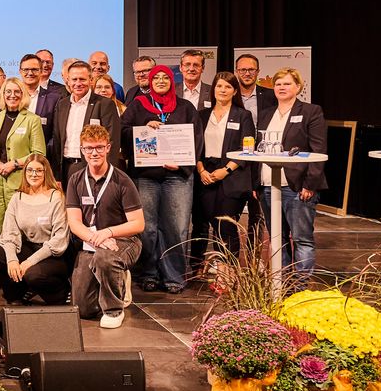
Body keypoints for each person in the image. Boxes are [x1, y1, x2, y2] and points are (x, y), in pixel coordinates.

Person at [121, 65, 203, 293]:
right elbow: (123, 132)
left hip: (177, 176)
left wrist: (183, 164)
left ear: (171, 80)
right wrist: (143, 128)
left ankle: (175, 276)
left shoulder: (185, 107)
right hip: (146, 176)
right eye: (155, 77)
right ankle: (148, 273)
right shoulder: (138, 105)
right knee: (147, 228)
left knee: (176, 227)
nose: (159, 80)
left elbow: (197, 140)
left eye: (164, 77)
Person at [66, 126, 144, 329]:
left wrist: (108, 233)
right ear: (82, 150)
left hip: (124, 241)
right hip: (92, 242)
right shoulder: (75, 179)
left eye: (99, 147)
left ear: (108, 148)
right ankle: (114, 280)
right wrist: (95, 238)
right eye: (89, 148)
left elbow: (138, 223)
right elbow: (74, 222)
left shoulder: (122, 180)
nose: (94, 153)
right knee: (81, 308)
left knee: (105, 257)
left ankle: (114, 309)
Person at [256, 68, 327, 279]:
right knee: (278, 238)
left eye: (286, 83)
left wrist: (310, 184)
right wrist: (256, 184)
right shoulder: (266, 113)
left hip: (297, 187)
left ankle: (300, 286)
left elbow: (318, 150)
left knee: (302, 239)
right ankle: (282, 283)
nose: (281, 87)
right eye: (278, 84)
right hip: (268, 185)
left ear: (298, 87)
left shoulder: (311, 111)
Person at [0, 154, 70, 305]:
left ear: (46, 172)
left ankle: (60, 293)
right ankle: (16, 295)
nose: (34, 174)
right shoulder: (18, 197)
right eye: (30, 170)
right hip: (28, 247)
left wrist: (29, 262)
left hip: (51, 255)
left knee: (33, 274)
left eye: (39, 170)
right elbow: (9, 233)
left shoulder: (56, 197)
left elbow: (59, 239)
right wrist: (12, 260)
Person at [192, 72, 255, 264]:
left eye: (228, 87)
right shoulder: (202, 115)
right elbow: (195, 147)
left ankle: (227, 270)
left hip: (231, 174)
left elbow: (248, 149)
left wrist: (225, 170)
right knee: (204, 222)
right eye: (219, 86)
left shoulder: (243, 115)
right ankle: (198, 266)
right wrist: (201, 170)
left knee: (225, 225)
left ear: (235, 91)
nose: (223, 90)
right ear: (213, 89)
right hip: (205, 172)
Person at [0, 77, 46, 249]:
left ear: (23, 94)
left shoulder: (32, 120)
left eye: (17, 91)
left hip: (18, 183)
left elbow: (39, 153)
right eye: (8, 91)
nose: (12, 95)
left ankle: (16, 270)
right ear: (3, 94)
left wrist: (14, 164)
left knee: (17, 228)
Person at [50, 61, 121, 187]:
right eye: (74, 79)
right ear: (68, 81)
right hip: (66, 168)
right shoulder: (62, 104)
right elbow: (57, 140)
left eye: (82, 79)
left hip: (93, 167)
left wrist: (107, 173)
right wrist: (57, 175)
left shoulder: (104, 104)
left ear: (91, 80)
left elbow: (113, 141)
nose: (78, 83)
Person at [234, 53, 276, 244]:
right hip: (235, 159)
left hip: (260, 159)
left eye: (251, 69)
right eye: (243, 69)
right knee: (231, 211)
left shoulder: (270, 95)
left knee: (257, 211)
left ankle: (255, 256)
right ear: (236, 72)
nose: (247, 73)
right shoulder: (229, 93)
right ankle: (228, 256)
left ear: (258, 72)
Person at [19, 53, 62, 161]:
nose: (30, 73)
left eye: (34, 69)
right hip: (13, 161)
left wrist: (39, 153)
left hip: (42, 160)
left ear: (41, 71)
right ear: (20, 71)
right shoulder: (11, 98)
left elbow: (56, 134)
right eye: (26, 69)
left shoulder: (54, 99)